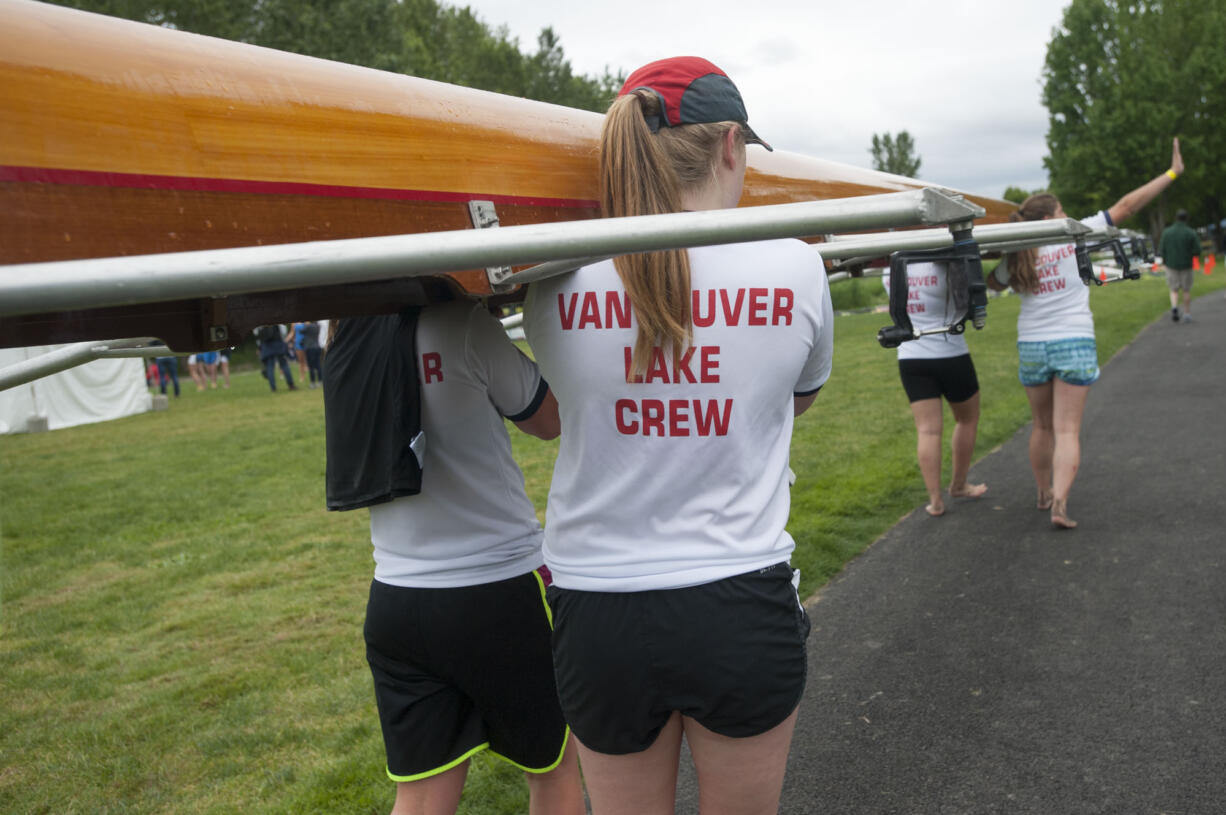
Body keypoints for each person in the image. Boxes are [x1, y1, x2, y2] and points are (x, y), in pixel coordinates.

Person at [523, 56, 833, 815]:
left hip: (598, 613)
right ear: (732, 144)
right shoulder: (796, 267)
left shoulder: (553, 276)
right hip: (737, 599)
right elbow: (791, 405)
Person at [329, 301, 582, 815]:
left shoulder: (342, 330)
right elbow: (549, 419)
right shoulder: (460, 322)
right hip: (499, 589)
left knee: (421, 797)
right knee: (557, 768)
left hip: (396, 599)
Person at [988, 137, 1184, 529]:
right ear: (1049, 218)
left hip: (1033, 345)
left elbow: (993, 284)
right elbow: (1127, 207)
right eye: (1061, 211)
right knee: (1066, 429)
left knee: (1041, 426)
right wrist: (1172, 173)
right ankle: (1060, 503)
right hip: (1074, 340)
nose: (1068, 215)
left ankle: (1042, 492)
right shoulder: (1076, 233)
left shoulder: (1019, 251)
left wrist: (1010, 260)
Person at [885, 262, 987, 516]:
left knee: (927, 430)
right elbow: (968, 300)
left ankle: (935, 500)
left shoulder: (890, 265)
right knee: (967, 419)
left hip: (911, 356)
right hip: (951, 353)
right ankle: (959, 484)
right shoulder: (945, 261)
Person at [1158, 208, 1201, 322]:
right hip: (1186, 265)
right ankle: (1187, 313)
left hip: (1171, 265)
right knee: (1186, 290)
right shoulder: (1190, 232)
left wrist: (1165, 260)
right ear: (1186, 218)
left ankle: (1174, 307)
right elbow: (1197, 250)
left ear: (1176, 218)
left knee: (1173, 289)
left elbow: (1162, 250)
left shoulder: (1167, 232)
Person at [254, 324, 297, 391]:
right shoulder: (276, 319)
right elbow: (283, 332)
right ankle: (291, 385)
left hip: (267, 347)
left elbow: (258, 337)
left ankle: (273, 388)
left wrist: (259, 348)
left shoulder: (261, 323)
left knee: (270, 367)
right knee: (284, 365)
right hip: (278, 345)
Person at [298, 320, 323, 387]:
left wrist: (305, 324)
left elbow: (301, 331)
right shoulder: (318, 326)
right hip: (317, 346)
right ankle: (320, 380)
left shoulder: (308, 326)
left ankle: (312, 382)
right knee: (318, 365)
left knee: (311, 366)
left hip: (310, 348)